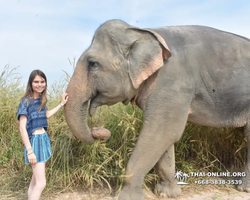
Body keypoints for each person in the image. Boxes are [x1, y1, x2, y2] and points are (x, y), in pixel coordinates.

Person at [17, 69, 68, 200]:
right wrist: (29, 151)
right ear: (30, 83)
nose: (40, 84)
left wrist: (61, 104)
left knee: (35, 181)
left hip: (43, 138)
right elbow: (22, 128)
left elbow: (46, 115)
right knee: (41, 183)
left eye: (42, 81)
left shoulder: (41, 100)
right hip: (34, 142)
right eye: (36, 82)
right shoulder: (25, 101)